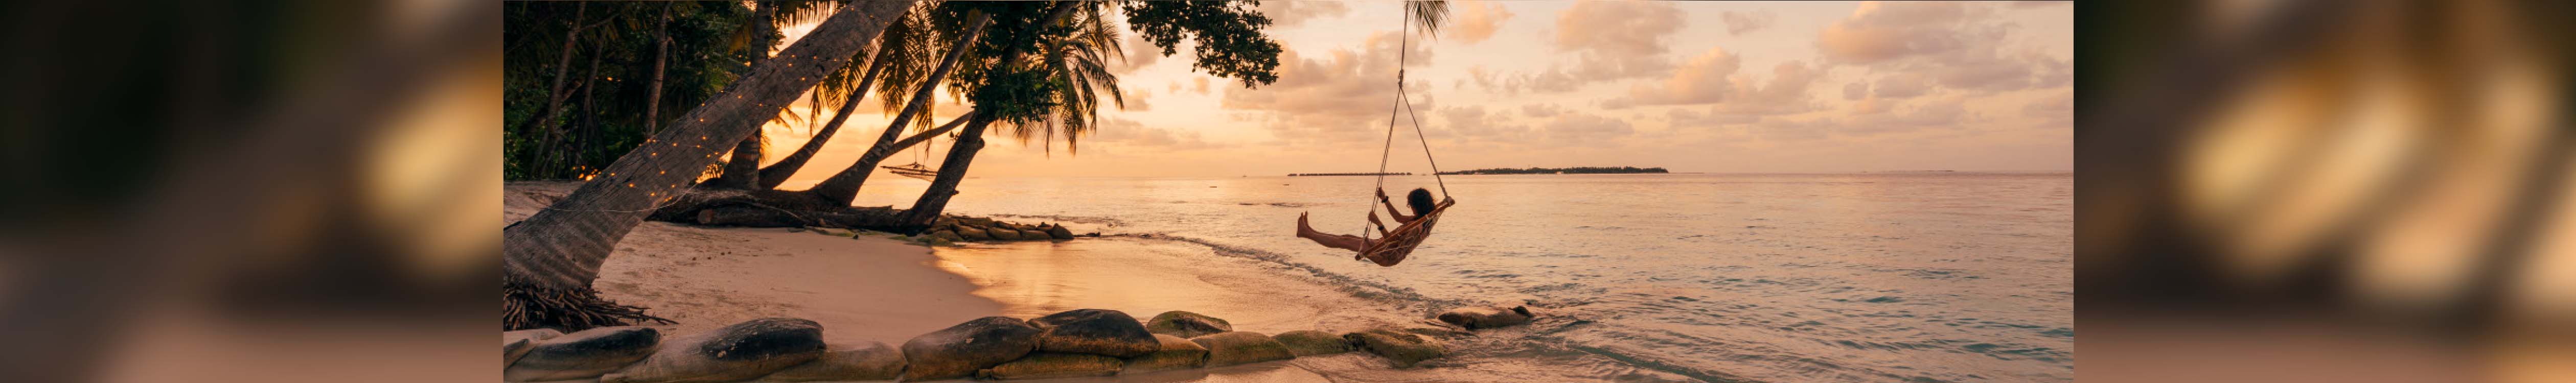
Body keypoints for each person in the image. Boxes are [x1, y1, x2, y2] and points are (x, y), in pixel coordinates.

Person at [1297, 187, 1439, 252]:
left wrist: (1379, 224)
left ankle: (1307, 233)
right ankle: (1310, 231)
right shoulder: (1422, 218)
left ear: (1418, 205)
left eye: (1411, 205)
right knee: (1347, 237)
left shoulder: (1417, 227)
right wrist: (1384, 199)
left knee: (1344, 241)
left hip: (1386, 253)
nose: (1410, 207)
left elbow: (1393, 242)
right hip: (1382, 245)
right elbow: (1399, 218)